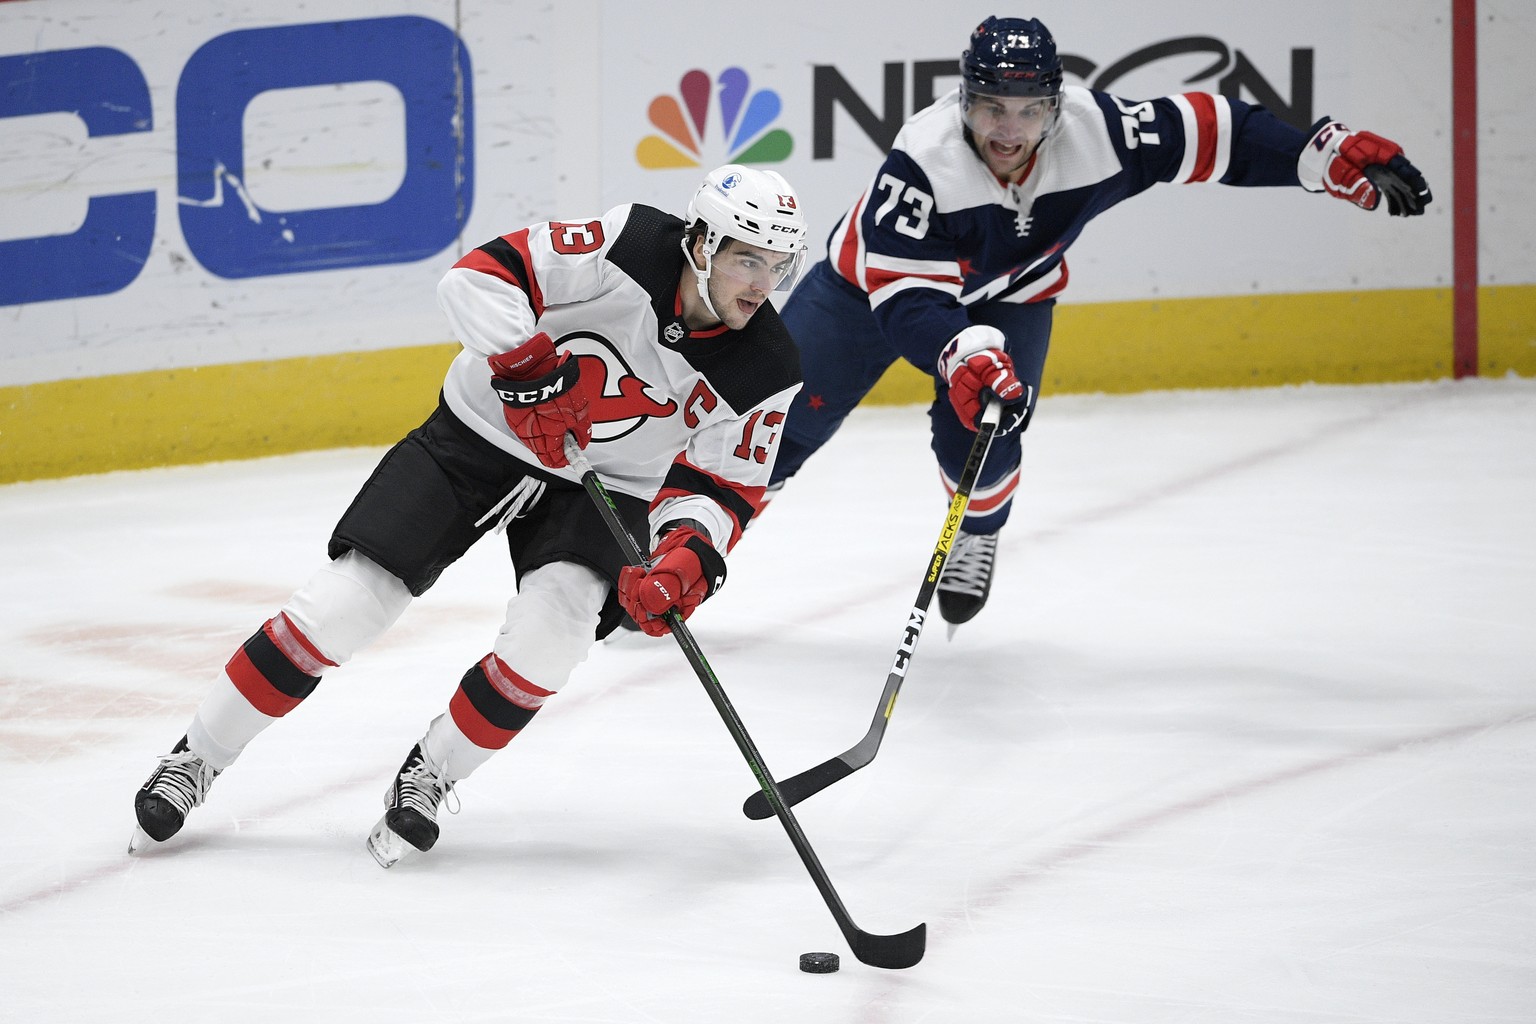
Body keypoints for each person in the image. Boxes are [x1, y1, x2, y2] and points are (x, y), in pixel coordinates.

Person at [129, 164, 810, 865]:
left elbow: (722, 485)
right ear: (700, 246)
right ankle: (197, 758)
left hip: (602, 484)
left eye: (777, 265)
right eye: (745, 259)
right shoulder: (627, 243)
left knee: (553, 639)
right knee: (343, 606)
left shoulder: (767, 366)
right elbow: (480, 276)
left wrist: (686, 553)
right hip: (478, 436)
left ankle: (431, 773)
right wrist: (523, 369)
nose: (762, 284)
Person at [769, 15, 1433, 629]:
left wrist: (1318, 157)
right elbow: (909, 302)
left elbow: (1213, 131)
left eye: (1030, 111)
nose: (1010, 130)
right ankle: (689, 545)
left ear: (1055, 107)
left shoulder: (1100, 133)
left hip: (1015, 291)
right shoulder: (924, 161)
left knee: (984, 432)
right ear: (964, 100)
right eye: (993, 107)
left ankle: (976, 528)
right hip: (869, 289)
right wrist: (959, 350)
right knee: (771, 424)